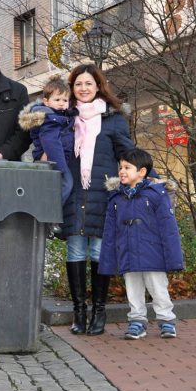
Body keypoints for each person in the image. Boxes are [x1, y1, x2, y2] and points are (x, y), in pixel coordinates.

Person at [61, 63, 136, 336]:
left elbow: (128, 153)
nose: (83, 89)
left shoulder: (113, 119)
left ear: (98, 87)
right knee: (76, 252)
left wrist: (149, 175)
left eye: (88, 84)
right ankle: (79, 312)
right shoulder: (64, 118)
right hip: (72, 195)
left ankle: (99, 310)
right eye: (78, 84)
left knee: (97, 253)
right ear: (72, 89)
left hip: (102, 195)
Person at [98, 148, 183, 340]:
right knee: (133, 289)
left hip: (153, 252)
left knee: (158, 288)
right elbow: (109, 231)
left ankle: (166, 320)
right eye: (120, 167)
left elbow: (168, 228)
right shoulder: (116, 198)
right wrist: (108, 259)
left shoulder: (156, 195)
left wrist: (174, 258)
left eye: (127, 167)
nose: (121, 171)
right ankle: (137, 321)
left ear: (142, 172)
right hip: (127, 252)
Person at [18, 76, 75, 202]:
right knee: (66, 184)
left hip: (56, 160)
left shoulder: (60, 116)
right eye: (57, 99)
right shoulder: (50, 118)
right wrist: (61, 167)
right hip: (52, 160)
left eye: (65, 100)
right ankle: (50, 211)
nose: (61, 103)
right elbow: (51, 142)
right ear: (46, 101)